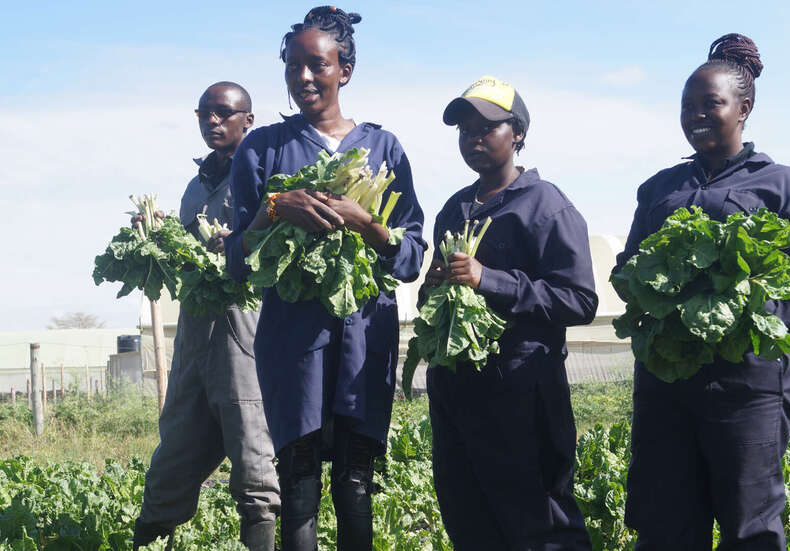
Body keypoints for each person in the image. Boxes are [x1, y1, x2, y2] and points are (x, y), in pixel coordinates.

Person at [615, 34, 790, 550]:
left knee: (750, 524)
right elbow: (628, 270)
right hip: (667, 377)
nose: (695, 115)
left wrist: (755, 307)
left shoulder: (785, 187)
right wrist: (652, 289)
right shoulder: (659, 190)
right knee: (664, 520)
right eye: (686, 106)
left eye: (710, 104)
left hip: (748, 382)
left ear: (743, 109)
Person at [223, 7, 426, 550]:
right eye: (294, 66)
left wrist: (367, 223)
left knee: (356, 483)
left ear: (345, 70)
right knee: (299, 482)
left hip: (366, 335)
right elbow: (237, 261)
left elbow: (410, 257)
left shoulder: (384, 148)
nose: (304, 77)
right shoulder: (262, 148)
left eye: (318, 65)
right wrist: (273, 207)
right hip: (293, 340)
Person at [425, 75, 598, 550]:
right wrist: (434, 288)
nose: (473, 138)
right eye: (464, 130)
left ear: (518, 132)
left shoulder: (546, 206)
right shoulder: (454, 209)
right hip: (457, 391)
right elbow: (433, 300)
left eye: (487, 127)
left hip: (523, 393)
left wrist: (489, 279)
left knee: (539, 523)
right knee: (468, 517)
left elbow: (580, 300)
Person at [132, 82, 280, 551]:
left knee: (253, 459)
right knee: (174, 453)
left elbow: (275, 251)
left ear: (248, 120)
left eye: (223, 113)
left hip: (244, 333)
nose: (212, 121)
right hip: (195, 335)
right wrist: (156, 237)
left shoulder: (264, 176)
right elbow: (186, 260)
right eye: (204, 114)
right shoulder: (195, 186)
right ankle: (148, 537)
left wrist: (239, 244)